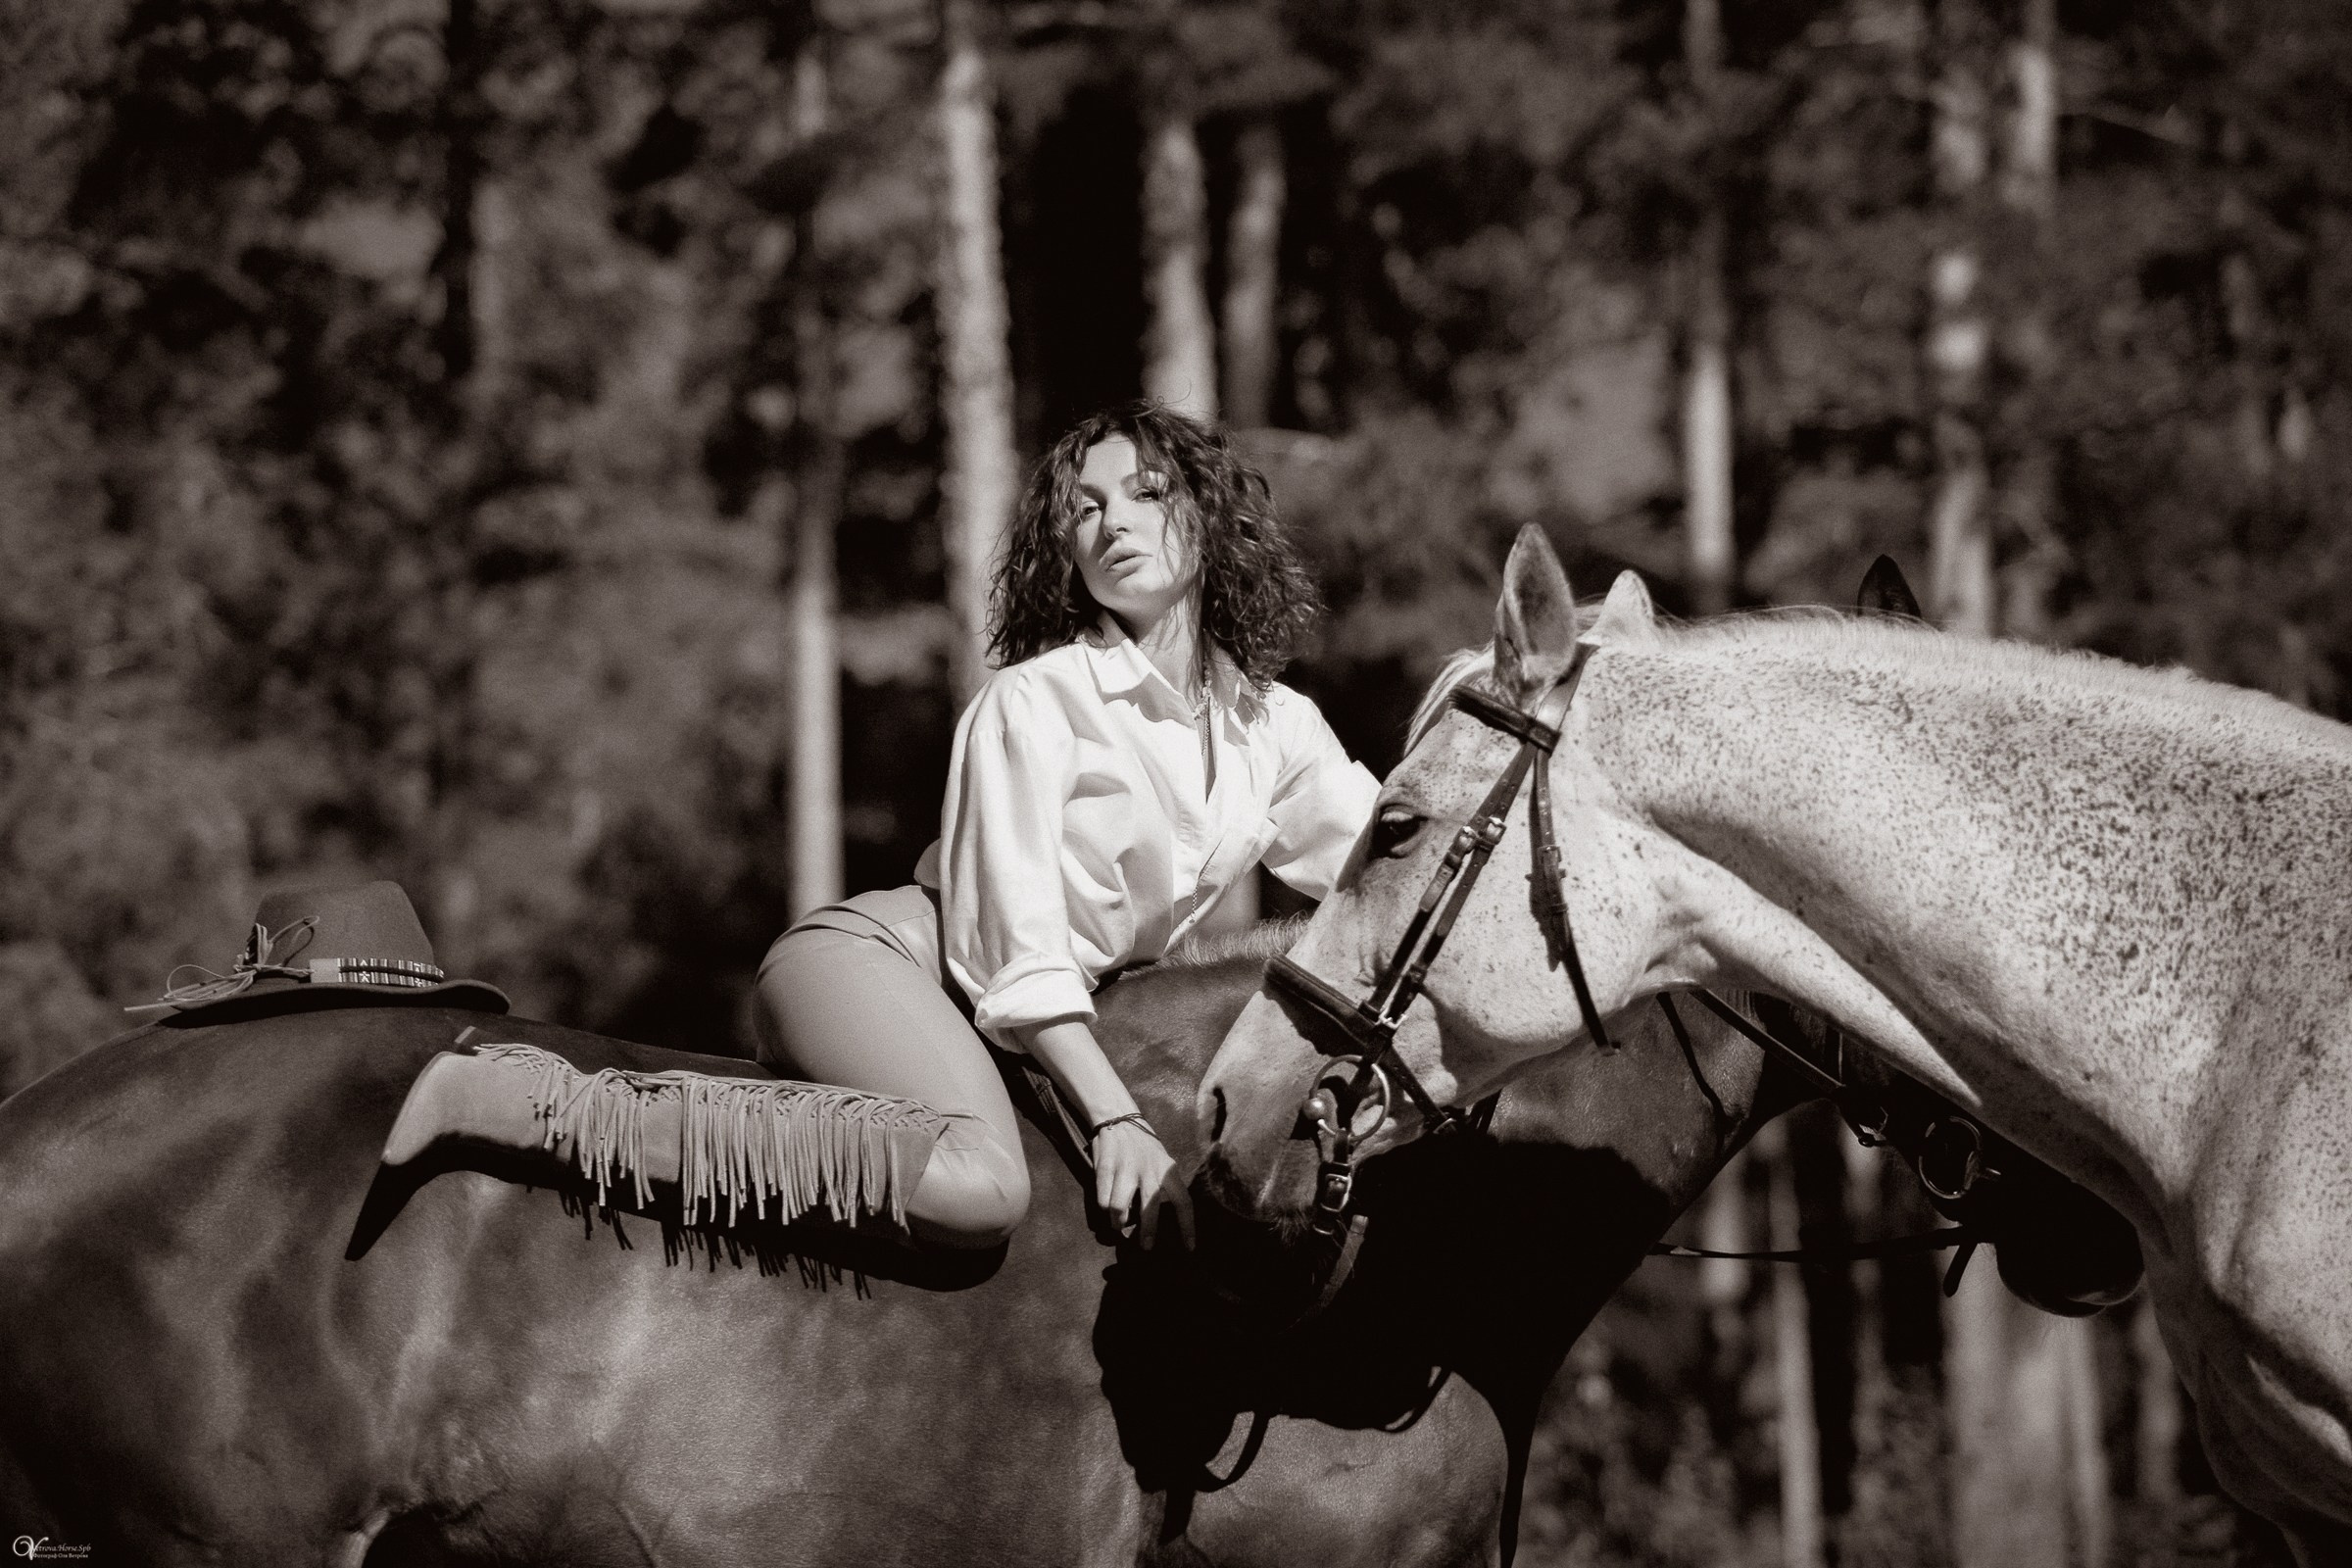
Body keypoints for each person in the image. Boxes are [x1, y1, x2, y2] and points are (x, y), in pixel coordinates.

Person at [380, 402, 1378, 1250]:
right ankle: (533, 1101)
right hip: (884, 965)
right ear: (1067, 559)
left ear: (1205, 512)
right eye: (1084, 511)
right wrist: (1112, 1113)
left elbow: (1393, 865)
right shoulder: (1035, 702)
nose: (1112, 522)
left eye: (1145, 491)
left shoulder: (1271, 729)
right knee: (982, 1184)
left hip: (1016, 1015)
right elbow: (1016, 954)